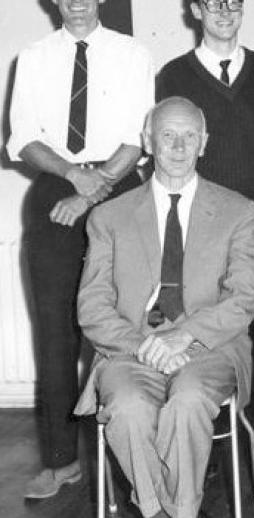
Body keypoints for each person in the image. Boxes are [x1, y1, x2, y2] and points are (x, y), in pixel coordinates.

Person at [73, 97, 254, 518]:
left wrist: (184, 335)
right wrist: (144, 346)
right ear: (147, 141)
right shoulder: (109, 217)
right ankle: (168, 512)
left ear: (204, 142)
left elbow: (244, 298)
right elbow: (93, 306)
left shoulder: (239, 212)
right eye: (167, 135)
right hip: (130, 349)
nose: (178, 147)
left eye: (189, 136)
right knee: (128, 409)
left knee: (188, 401)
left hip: (210, 347)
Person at [5, 0, 154, 499]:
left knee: (128, 320)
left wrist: (92, 189)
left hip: (120, 186)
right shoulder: (33, 56)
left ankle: (138, 456)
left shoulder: (132, 54)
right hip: (55, 188)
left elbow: (139, 137)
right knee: (54, 329)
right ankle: (60, 460)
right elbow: (24, 138)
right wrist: (73, 175)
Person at [156, 0, 254, 469]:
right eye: (213, 2)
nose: (225, 10)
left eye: (234, 2)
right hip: (201, 229)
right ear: (195, 10)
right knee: (200, 331)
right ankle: (206, 451)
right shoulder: (173, 75)